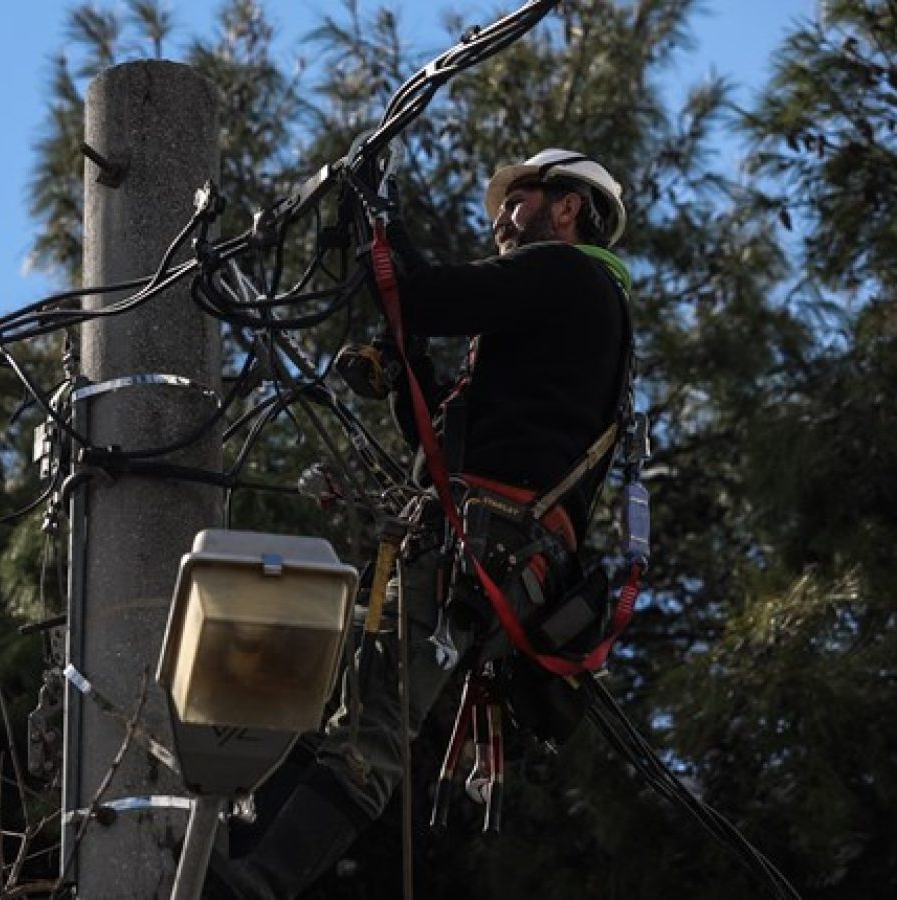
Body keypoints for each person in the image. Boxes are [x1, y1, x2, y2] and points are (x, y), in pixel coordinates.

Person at [207, 148, 634, 899]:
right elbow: (441, 439)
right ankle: (232, 855)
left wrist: (380, 213)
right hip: (488, 542)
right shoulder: (577, 320)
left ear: (568, 208)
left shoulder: (568, 274)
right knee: (334, 714)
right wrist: (408, 370)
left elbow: (423, 295)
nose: (502, 217)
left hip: (486, 541)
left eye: (519, 201)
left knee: (366, 735)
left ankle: (251, 885)